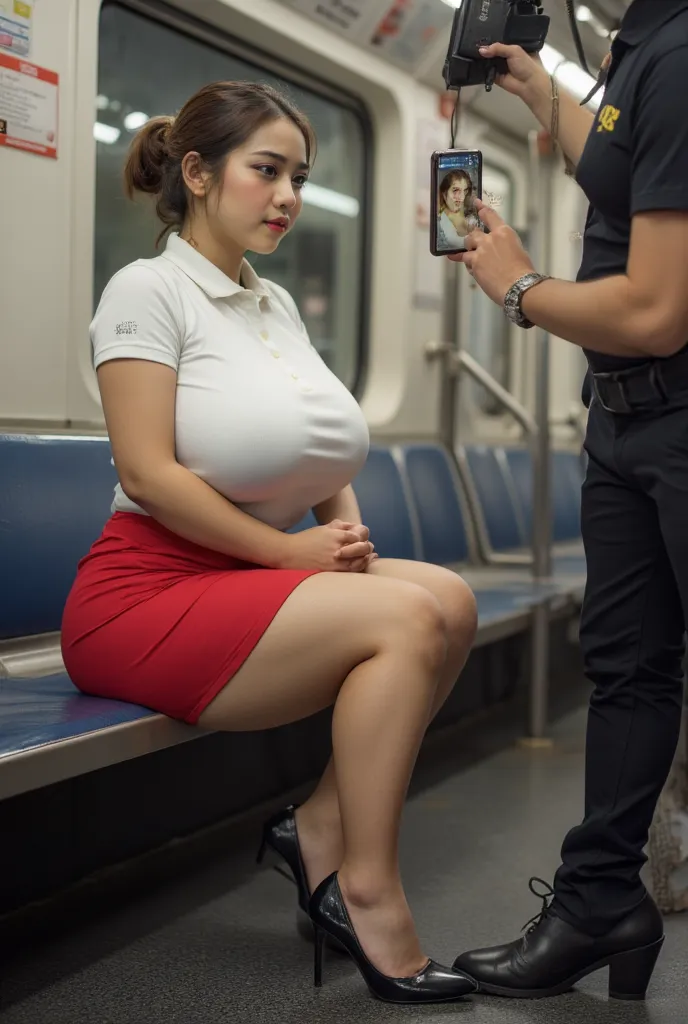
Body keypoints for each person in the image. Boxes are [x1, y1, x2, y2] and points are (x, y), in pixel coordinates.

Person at [60, 80, 478, 1005]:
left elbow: (321, 440)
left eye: (300, 176)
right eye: (268, 171)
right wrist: (290, 556)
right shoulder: (147, 289)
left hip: (249, 574)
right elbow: (147, 474)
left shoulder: (271, 302)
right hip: (143, 595)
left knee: (448, 597)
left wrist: (342, 536)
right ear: (199, 173)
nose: (288, 195)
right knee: (405, 621)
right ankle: (365, 886)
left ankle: (318, 827)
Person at [448, 0, 688, 1002]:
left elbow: (655, 310)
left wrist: (519, 287)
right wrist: (541, 89)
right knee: (626, 666)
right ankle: (601, 902)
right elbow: (624, 168)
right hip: (622, 421)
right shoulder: (638, 49)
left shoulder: (678, 56)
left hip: (674, 409)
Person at [437, 169, 479, 250]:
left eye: (465, 191)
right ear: (444, 193)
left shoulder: (470, 214)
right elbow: (454, 241)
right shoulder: (440, 221)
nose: (461, 197)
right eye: (455, 190)